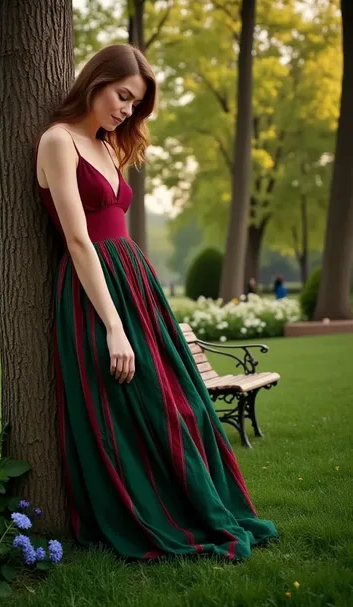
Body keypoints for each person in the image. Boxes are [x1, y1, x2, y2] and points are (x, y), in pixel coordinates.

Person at [35, 44, 278, 562]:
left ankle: (201, 505)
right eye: (122, 96)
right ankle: (153, 513)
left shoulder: (107, 144)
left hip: (136, 284)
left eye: (135, 105)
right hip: (95, 291)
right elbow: (78, 240)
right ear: (96, 81)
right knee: (130, 405)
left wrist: (134, 309)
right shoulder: (58, 141)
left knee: (182, 404)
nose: (126, 110)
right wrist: (114, 327)